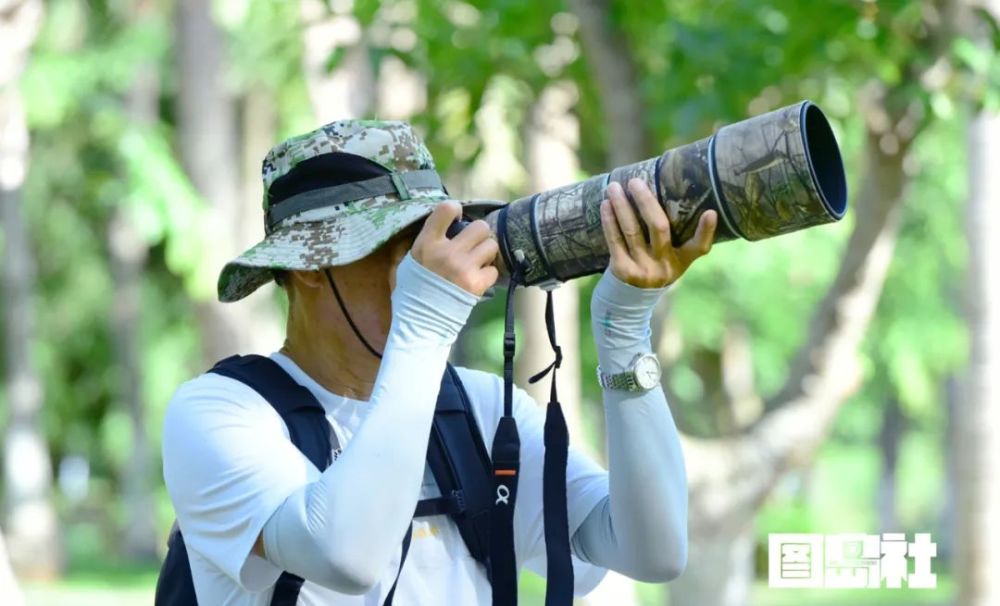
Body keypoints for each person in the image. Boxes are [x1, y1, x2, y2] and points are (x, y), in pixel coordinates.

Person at [162, 120, 717, 605]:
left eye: (440, 238)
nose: (431, 267)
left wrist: (622, 333)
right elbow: (346, 555)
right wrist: (424, 322)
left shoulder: (475, 409)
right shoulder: (218, 414)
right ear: (311, 262)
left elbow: (653, 550)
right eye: (402, 245)